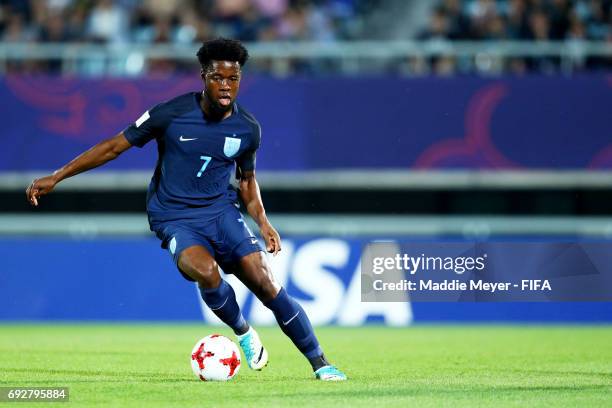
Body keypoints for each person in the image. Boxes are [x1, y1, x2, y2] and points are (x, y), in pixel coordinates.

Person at [25, 37, 347, 381]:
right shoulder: (171, 114)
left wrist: (263, 222)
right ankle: (243, 332)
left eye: (233, 79)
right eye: (218, 78)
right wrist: (58, 176)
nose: (225, 86)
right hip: (175, 218)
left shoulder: (247, 129)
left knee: (268, 285)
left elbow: (247, 180)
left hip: (222, 214)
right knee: (206, 272)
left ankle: (321, 363)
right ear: (203, 77)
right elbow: (112, 147)